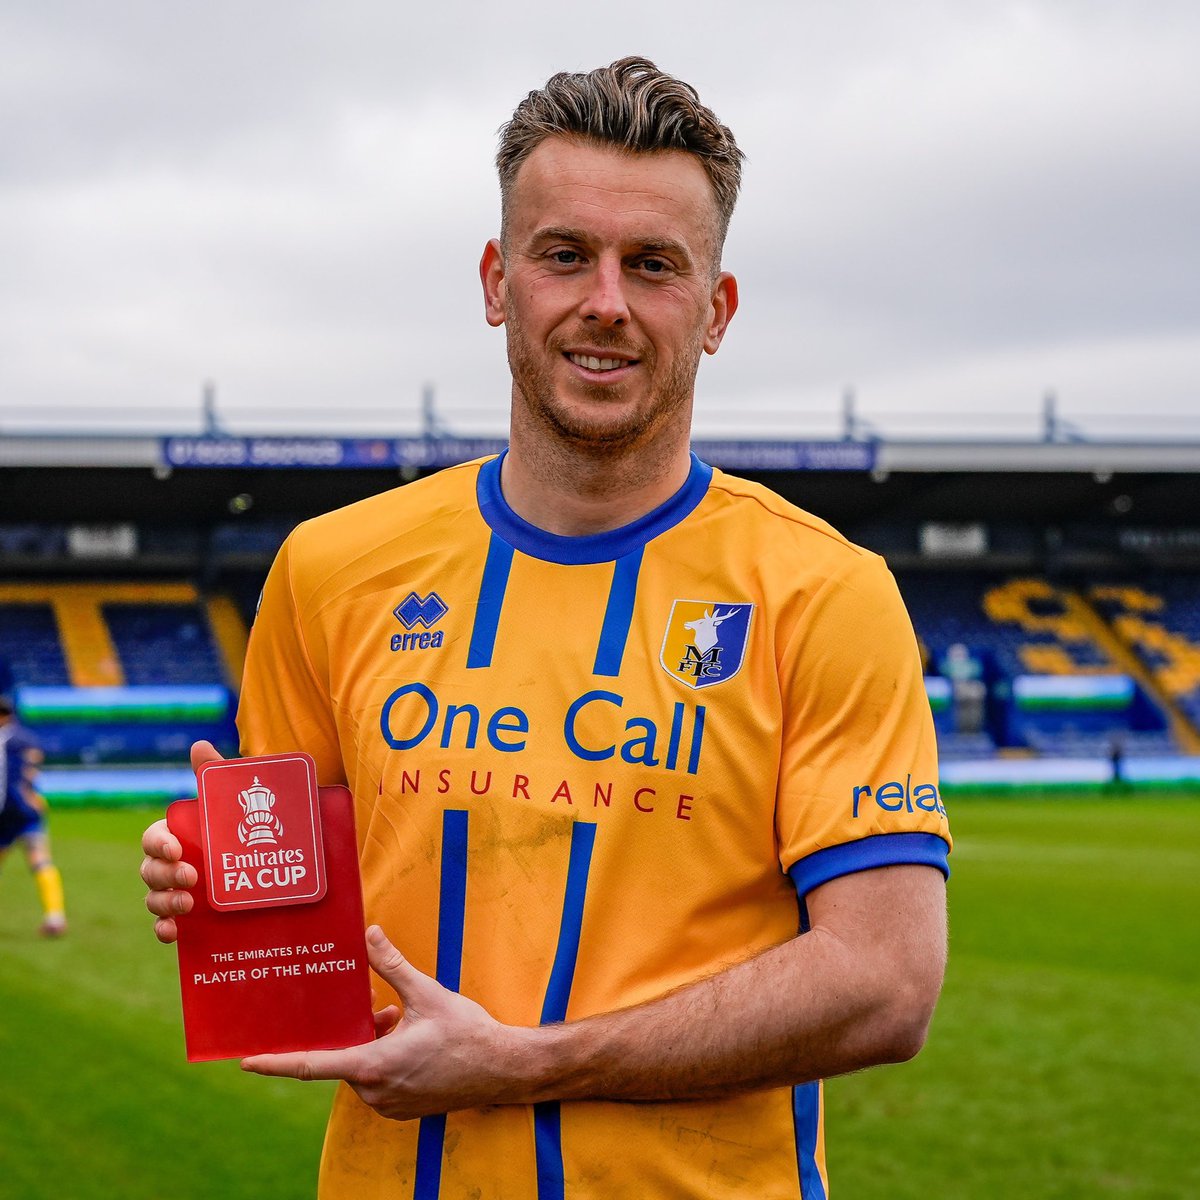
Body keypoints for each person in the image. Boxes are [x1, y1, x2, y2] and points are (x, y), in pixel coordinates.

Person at [142, 57, 950, 1198]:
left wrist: (524, 1066)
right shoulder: (330, 570)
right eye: (564, 254)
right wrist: (212, 889)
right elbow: (288, 906)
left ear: (716, 309)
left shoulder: (823, 591)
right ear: (496, 280)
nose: (605, 302)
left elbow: (886, 983)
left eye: (654, 266)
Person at [0, 695, 67, 936]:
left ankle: (55, 918)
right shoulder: (24, 737)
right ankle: (55, 916)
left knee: (38, 859)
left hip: (8, 812)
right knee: (40, 860)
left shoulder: (8, 738)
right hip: (27, 811)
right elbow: (33, 762)